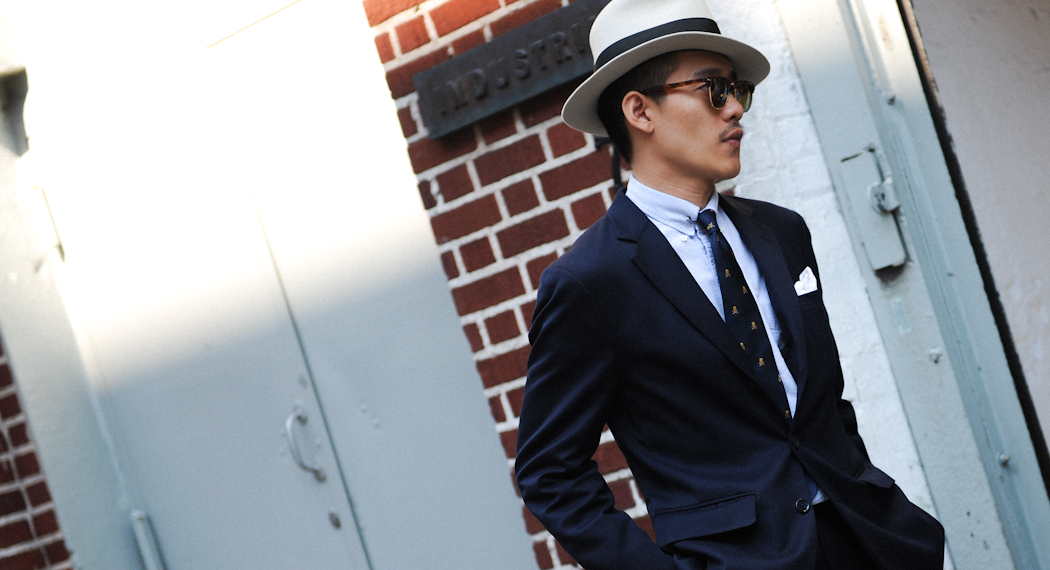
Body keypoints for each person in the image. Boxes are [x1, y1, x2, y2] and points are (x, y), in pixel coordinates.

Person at [513, 0, 946, 568]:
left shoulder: (782, 232)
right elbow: (549, 472)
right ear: (640, 111)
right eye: (714, 90)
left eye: (738, 89)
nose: (736, 108)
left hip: (871, 543)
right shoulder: (591, 280)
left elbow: (821, 404)